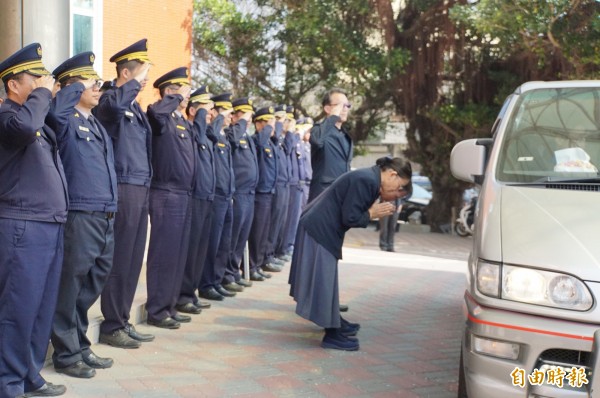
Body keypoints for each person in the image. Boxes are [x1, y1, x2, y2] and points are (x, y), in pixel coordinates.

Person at [0, 43, 68, 397]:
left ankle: (29, 374)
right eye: (36, 76)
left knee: (40, 308)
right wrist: (43, 93)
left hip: (48, 223)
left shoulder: (36, 119)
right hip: (22, 225)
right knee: (18, 308)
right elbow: (25, 128)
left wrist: (50, 95)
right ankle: (7, 383)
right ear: (14, 84)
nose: (44, 82)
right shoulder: (9, 117)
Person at [289, 157, 412, 351]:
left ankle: (334, 321)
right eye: (399, 188)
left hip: (320, 226)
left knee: (327, 281)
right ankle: (331, 334)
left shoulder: (370, 178)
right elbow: (350, 217)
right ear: (392, 174)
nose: (396, 193)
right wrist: (372, 213)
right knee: (324, 282)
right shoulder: (367, 180)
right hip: (319, 228)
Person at [49, 52, 117, 379]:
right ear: (70, 87)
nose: (97, 86)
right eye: (88, 81)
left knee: (91, 284)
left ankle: (79, 342)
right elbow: (55, 111)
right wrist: (73, 88)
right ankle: (65, 354)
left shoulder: (94, 122)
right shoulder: (64, 118)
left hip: (104, 214)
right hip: (80, 213)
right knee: (69, 286)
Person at [96, 39, 155, 348]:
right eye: (141, 73)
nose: (145, 80)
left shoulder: (133, 105)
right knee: (119, 259)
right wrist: (131, 84)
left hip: (140, 187)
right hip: (123, 186)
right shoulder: (110, 98)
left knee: (133, 259)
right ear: (125, 72)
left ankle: (122, 318)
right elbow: (113, 108)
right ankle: (111, 325)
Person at [145, 67, 195, 329]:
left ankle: (170, 304)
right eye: (178, 90)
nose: (185, 95)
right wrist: (174, 99)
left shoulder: (181, 120)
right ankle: (157, 308)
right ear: (167, 91)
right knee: (164, 253)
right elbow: (155, 113)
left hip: (183, 194)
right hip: (166, 192)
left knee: (177, 254)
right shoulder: (160, 114)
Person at [176, 86, 215, 314]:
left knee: (200, 249)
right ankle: (183, 295)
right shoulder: (193, 129)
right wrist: (199, 115)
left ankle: (191, 292)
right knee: (191, 251)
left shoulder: (206, 134)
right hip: (196, 196)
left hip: (207, 195)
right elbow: (199, 134)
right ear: (192, 111)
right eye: (204, 109)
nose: (210, 113)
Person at [198, 93, 236, 301]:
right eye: (226, 112)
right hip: (217, 195)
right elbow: (210, 132)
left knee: (224, 242)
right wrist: (219, 116)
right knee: (213, 242)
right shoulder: (212, 132)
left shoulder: (223, 136)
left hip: (227, 194)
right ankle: (206, 282)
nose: (230, 117)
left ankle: (216, 280)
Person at [222, 97, 257, 291]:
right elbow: (232, 139)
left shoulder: (246, 136)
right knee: (233, 237)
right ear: (233, 115)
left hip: (249, 192)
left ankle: (234, 272)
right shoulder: (231, 132)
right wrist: (242, 122)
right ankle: (227, 274)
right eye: (243, 114)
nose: (248, 119)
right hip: (239, 192)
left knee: (241, 236)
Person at [247, 106, 277, 281]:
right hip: (259, 193)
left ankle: (257, 264)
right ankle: (251, 266)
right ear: (257, 124)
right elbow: (260, 141)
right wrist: (267, 128)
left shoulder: (269, 143)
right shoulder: (257, 140)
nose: (270, 126)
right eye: (266, 122)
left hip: (268, 191)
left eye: (271, 122)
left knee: (264, 231)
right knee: (256, 232)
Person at [308, 88, 353, 202]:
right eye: (340, 105)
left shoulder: (345, 134)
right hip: (323, 193)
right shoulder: (318, 130)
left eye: (347, 106)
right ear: (328, 108)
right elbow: (318, 141)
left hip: (342, 193)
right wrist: (333, 117)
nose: (345, 109)